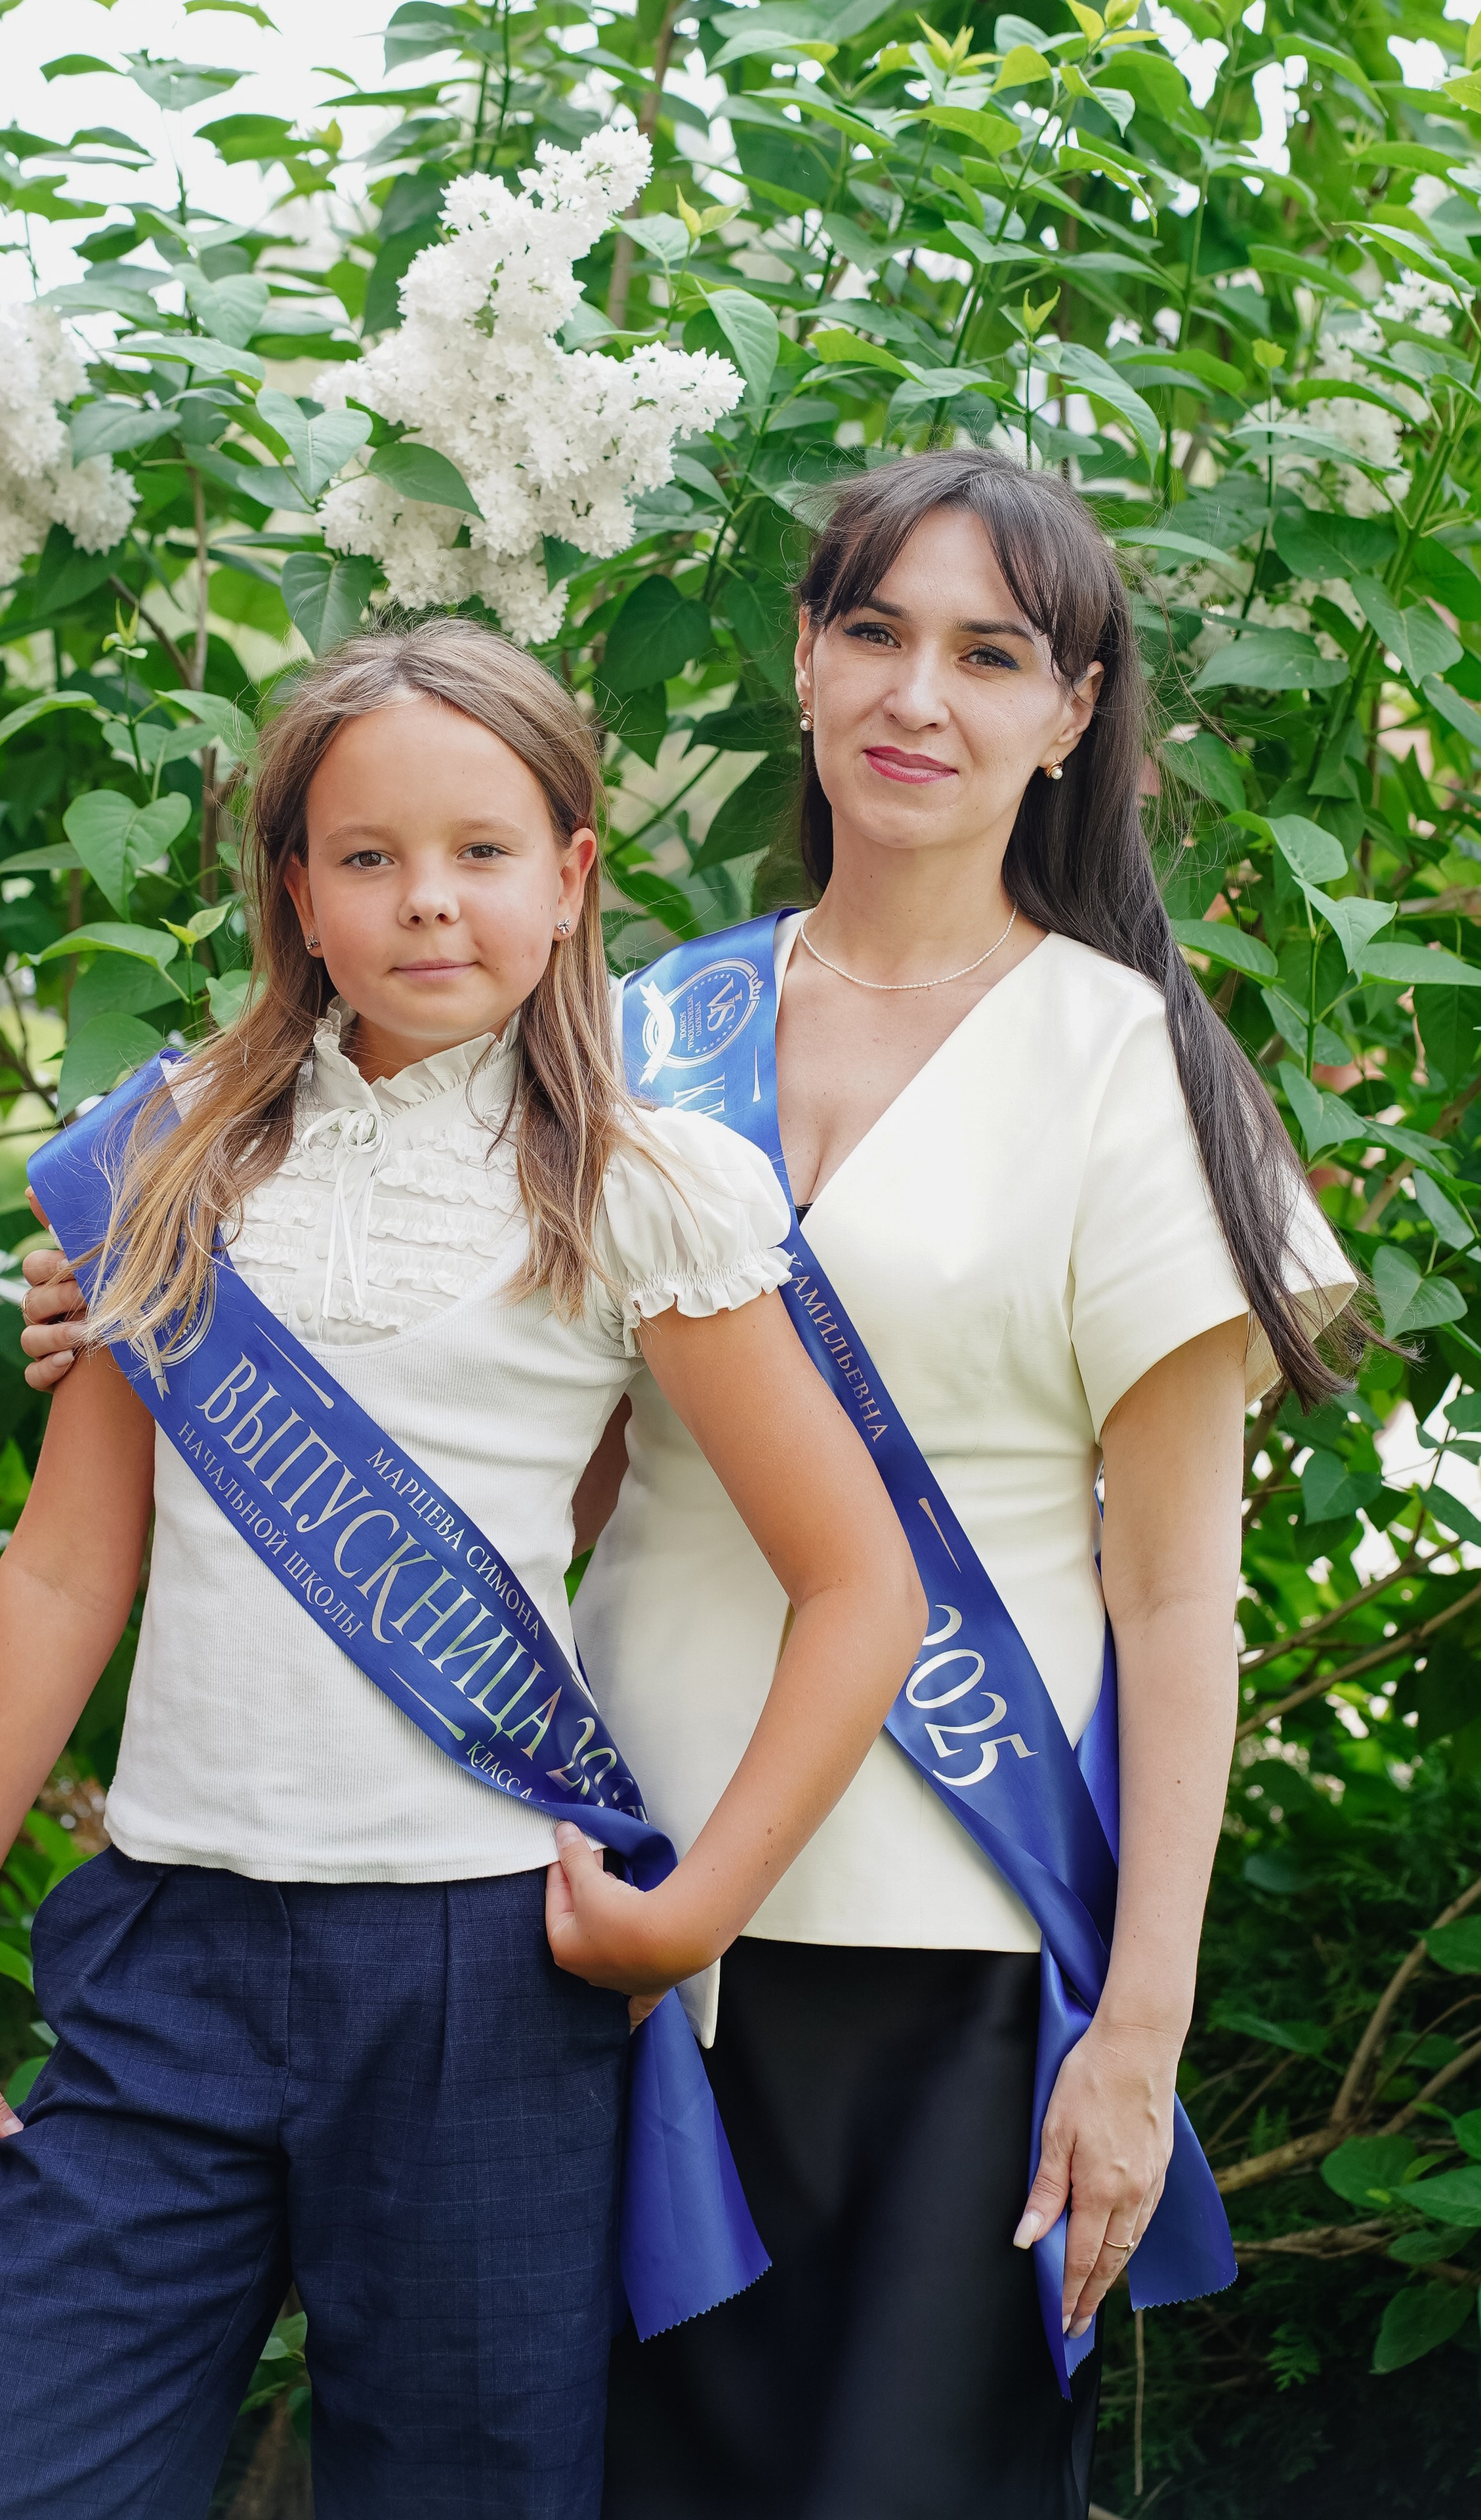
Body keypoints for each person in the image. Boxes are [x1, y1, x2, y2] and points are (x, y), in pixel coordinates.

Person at [0, 618, 924, 2520]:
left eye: (481, 853)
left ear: (573, 878)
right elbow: (60, 1573)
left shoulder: (639, 1182)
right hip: (165, 1949)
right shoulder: (177, 1152)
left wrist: (697, 1911)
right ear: (295, 888)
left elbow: (863, 1586)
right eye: (366, 857)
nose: (426, 903)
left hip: (480, 1975)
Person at [572, 450, 1358, 2519]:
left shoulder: (1134, 1068)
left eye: (989, 653)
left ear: (1069, 713)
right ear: (806, 666)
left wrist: (1142, 2041)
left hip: (959, 1963)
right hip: (616, 1926)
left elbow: (1184, 1594)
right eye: (877, 633)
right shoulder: (639, 1035)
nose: (922, 695)